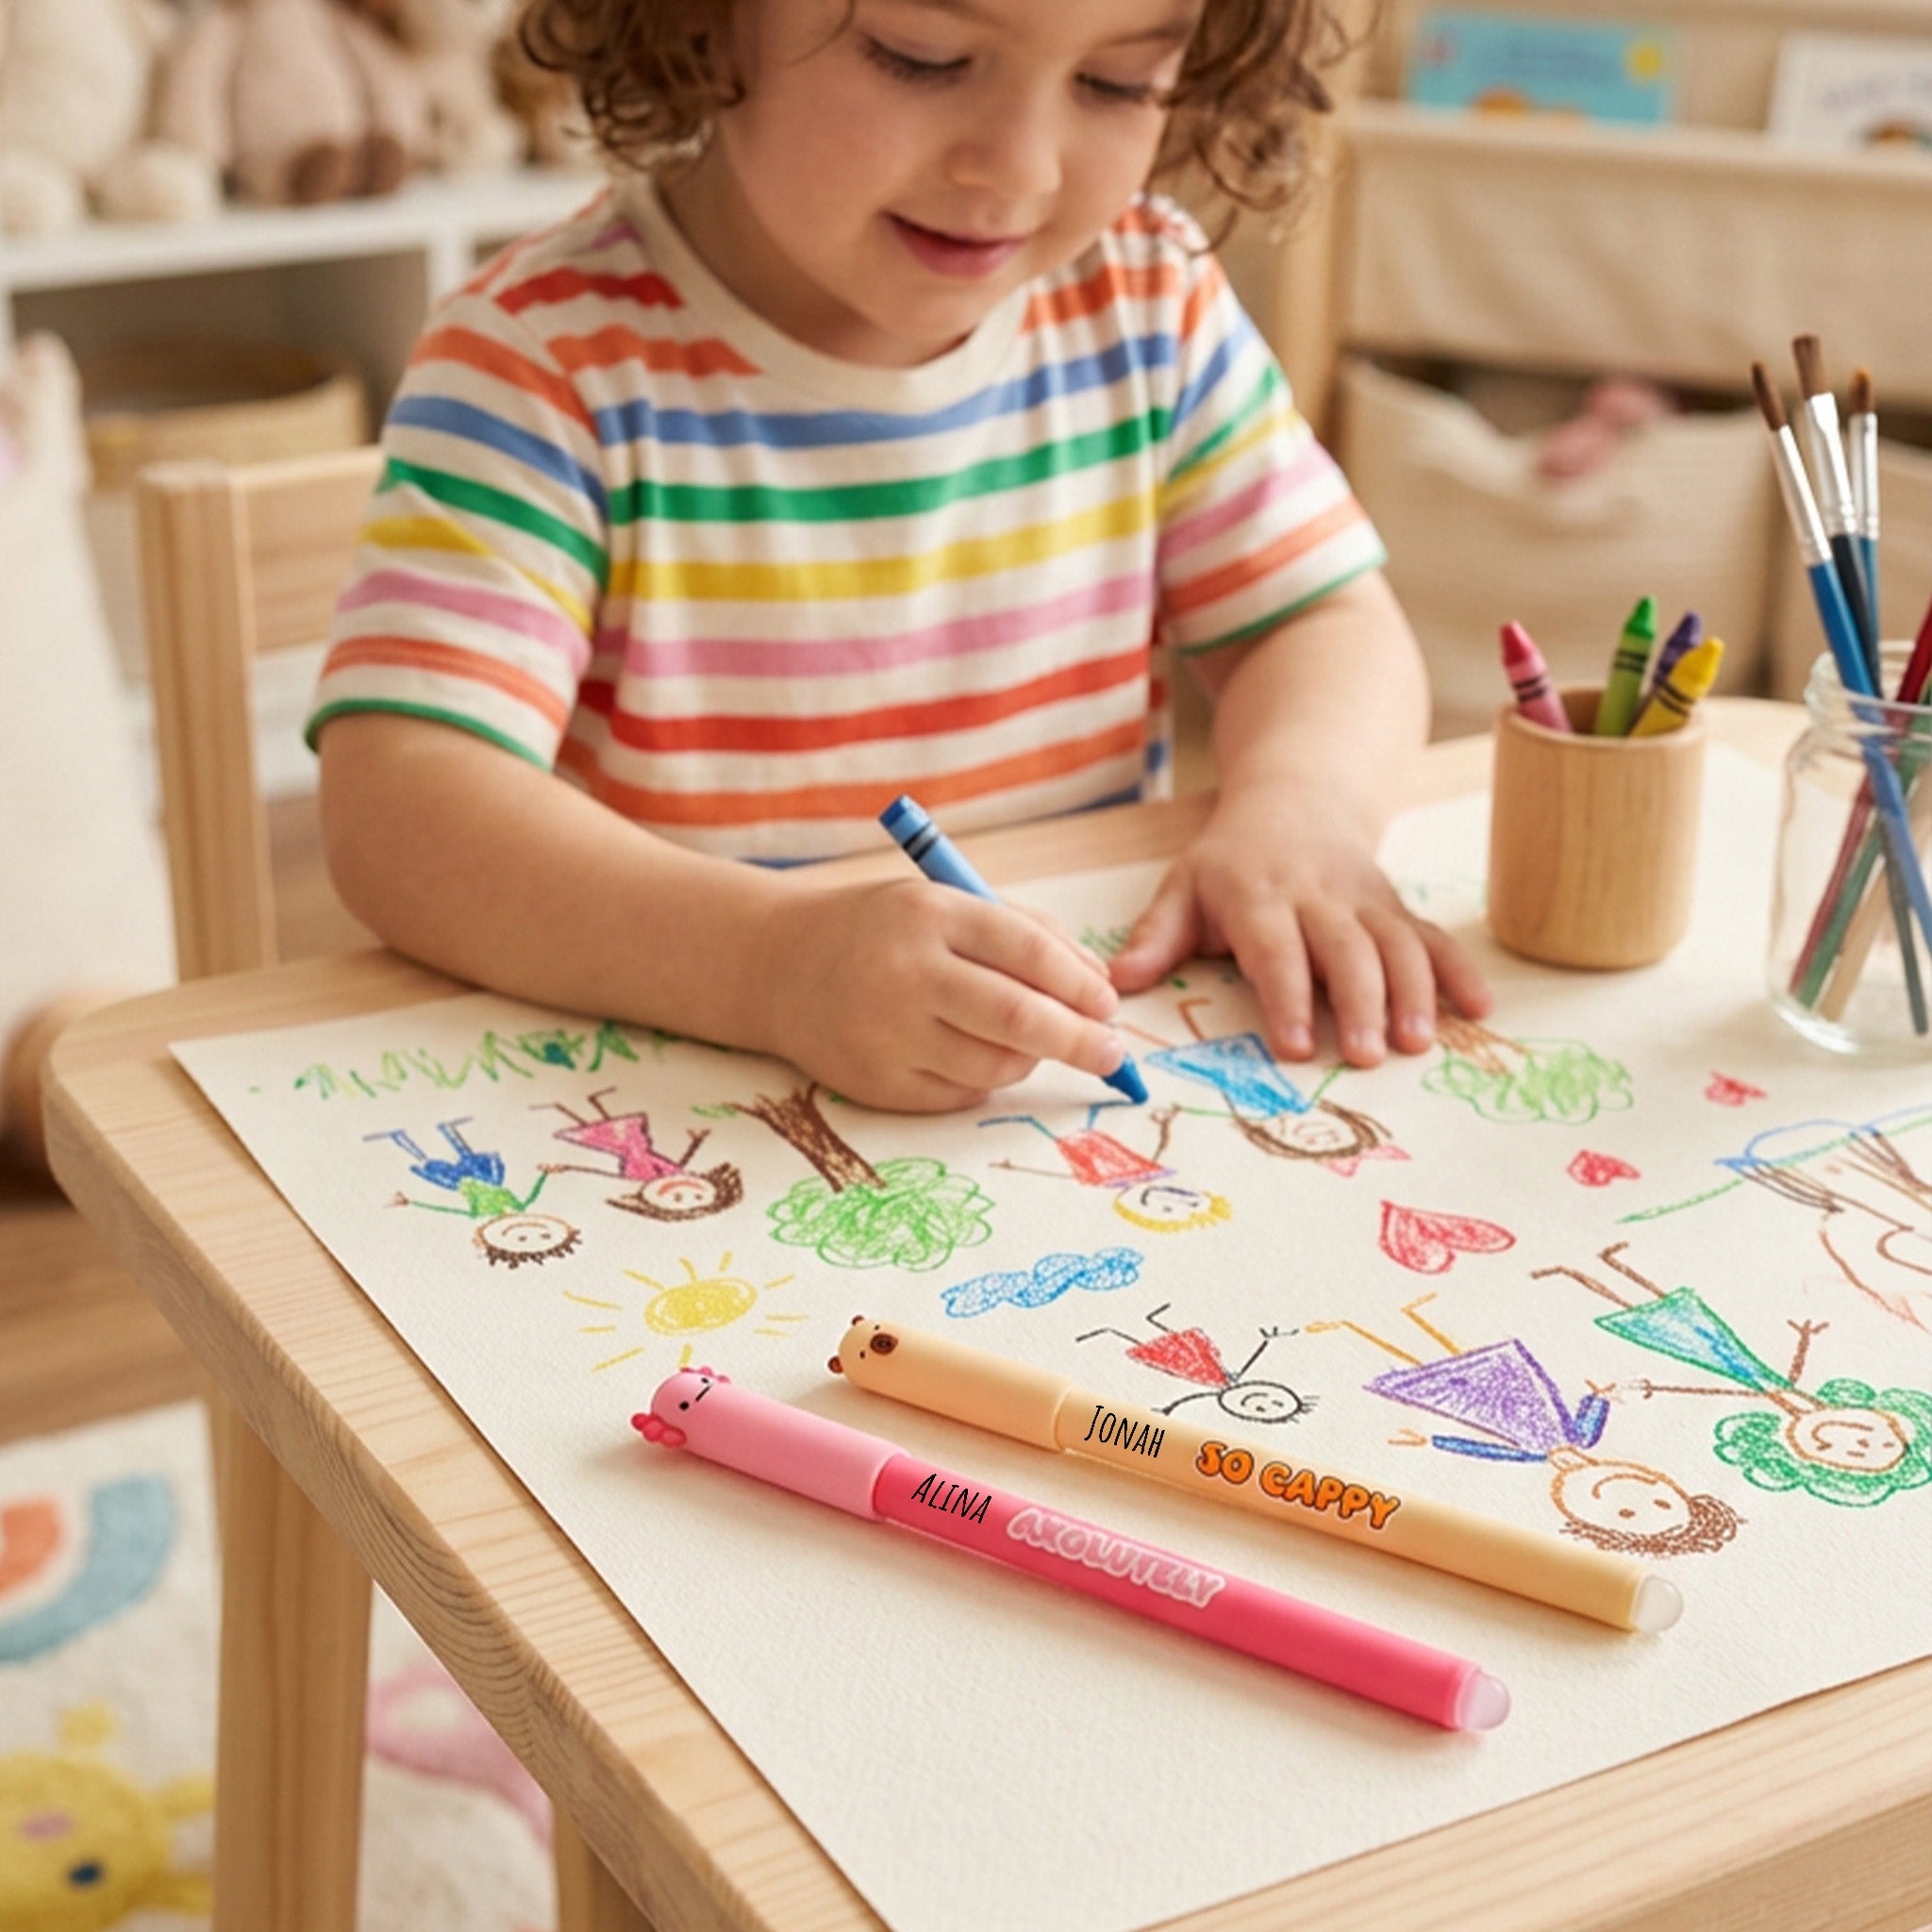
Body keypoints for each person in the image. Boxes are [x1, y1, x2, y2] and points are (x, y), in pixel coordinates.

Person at [313, 0, 1491, 1115]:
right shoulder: (542, 357)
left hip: (1043, 1111)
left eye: (1115, 80)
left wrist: (1303, 807)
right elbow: (401, 807)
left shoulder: (1146, 302)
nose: (1019, 169)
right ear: (700, 14)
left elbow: (1324, 624)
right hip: (700, 1115)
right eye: (921, 55)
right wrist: (768, 964)